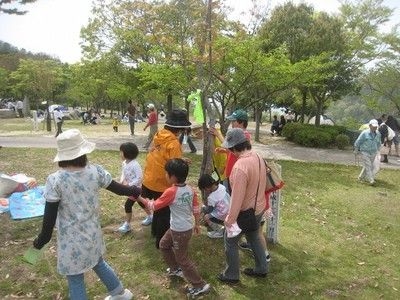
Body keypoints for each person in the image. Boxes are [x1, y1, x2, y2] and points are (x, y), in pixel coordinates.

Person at [31, 129, 139, 300]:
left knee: (75, 279)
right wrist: (137, 190)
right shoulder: (95, 172)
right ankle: (120, 294)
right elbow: (120, 190)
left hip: (71, 242)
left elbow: (49, 220)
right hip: (92, 234)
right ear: (83, 152)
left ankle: (119, 294)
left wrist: (40, 241)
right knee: (99, 264)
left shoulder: (55, 180)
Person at [138, 158, 211, 297]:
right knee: (164, 244)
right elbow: (196, 207)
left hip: (180, 231)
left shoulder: (171, 192)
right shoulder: (190, 189)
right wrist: (196, 224)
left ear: (173, 176)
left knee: (182, 258)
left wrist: (139, 197)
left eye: (166, 173)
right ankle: (175, 269)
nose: (165, 175)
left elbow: (153, 206)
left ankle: (200, 285)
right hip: (181, 227)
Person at [218, 128, 269, 284]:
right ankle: (262, 268)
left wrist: (230, 219)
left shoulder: (240, 167)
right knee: (254, 237)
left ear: (234, 147)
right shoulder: (258, 156)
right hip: (259, 208)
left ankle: (231, 275)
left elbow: (237, 198)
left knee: (230, 241)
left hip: (245, 213)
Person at [141, 109, 191, 248]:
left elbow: (161, 156)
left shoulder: (159, 134)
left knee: (158, 208)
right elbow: (174, 167)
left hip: (150, 178)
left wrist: (181, 159)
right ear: (179, 128)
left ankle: (154, 232)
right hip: (162, 182)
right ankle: (161, 242)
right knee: (164, 213)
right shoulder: (174, 143)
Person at [117, 142, 152, 233]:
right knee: (141, 202)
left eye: (121, 152)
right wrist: (122, 180)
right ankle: (150, 216)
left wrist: (130, 185)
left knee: (128, 205)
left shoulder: (135, 164)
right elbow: (123, 173)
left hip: (136, 189)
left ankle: (127, 224)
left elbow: (139, 178)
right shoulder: (124, 163)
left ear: (127, 153)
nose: (120, 153)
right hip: (130, 189)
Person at [198, 173, 231, 239]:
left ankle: (220, 231)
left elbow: (209, 210)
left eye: (204, 189)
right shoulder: (222, 186)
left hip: (223, 215)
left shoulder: (211, 197)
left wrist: (203, 208)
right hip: (230, 210)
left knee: (206, 217)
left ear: (206, 187)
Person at [354, 119, 381, 185]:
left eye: (376, 126)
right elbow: (358, 141)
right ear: (370, 125)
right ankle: (371, 180)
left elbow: (379, 143)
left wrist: (378, 151)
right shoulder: (364, 133)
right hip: (365, 152)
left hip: (373, 152)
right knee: (368, 165)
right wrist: (356, 150)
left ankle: (360, 177)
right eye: (373, 126)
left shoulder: (378, 133)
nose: (375, 127)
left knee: (367, 166)